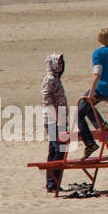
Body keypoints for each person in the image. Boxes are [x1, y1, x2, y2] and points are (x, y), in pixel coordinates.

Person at [76, 28, 108, 158]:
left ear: (99, 39)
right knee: (87, 107)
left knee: (78, 114)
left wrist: (91, 93)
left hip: (101, 88)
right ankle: (101, 123)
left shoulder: (98, 53)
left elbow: (97, 74)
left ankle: (90, 143)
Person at [41, 53, 68, 193]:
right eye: (58, 63)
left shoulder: (56, 79)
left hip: (60, 120)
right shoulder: (50, 79)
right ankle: (53, 184)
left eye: (62, 64)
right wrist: (58, 119)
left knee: (58, 150)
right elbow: (48, 100)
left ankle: (54, 183)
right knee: (57, 150)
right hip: (53, 121)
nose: (61, 66)